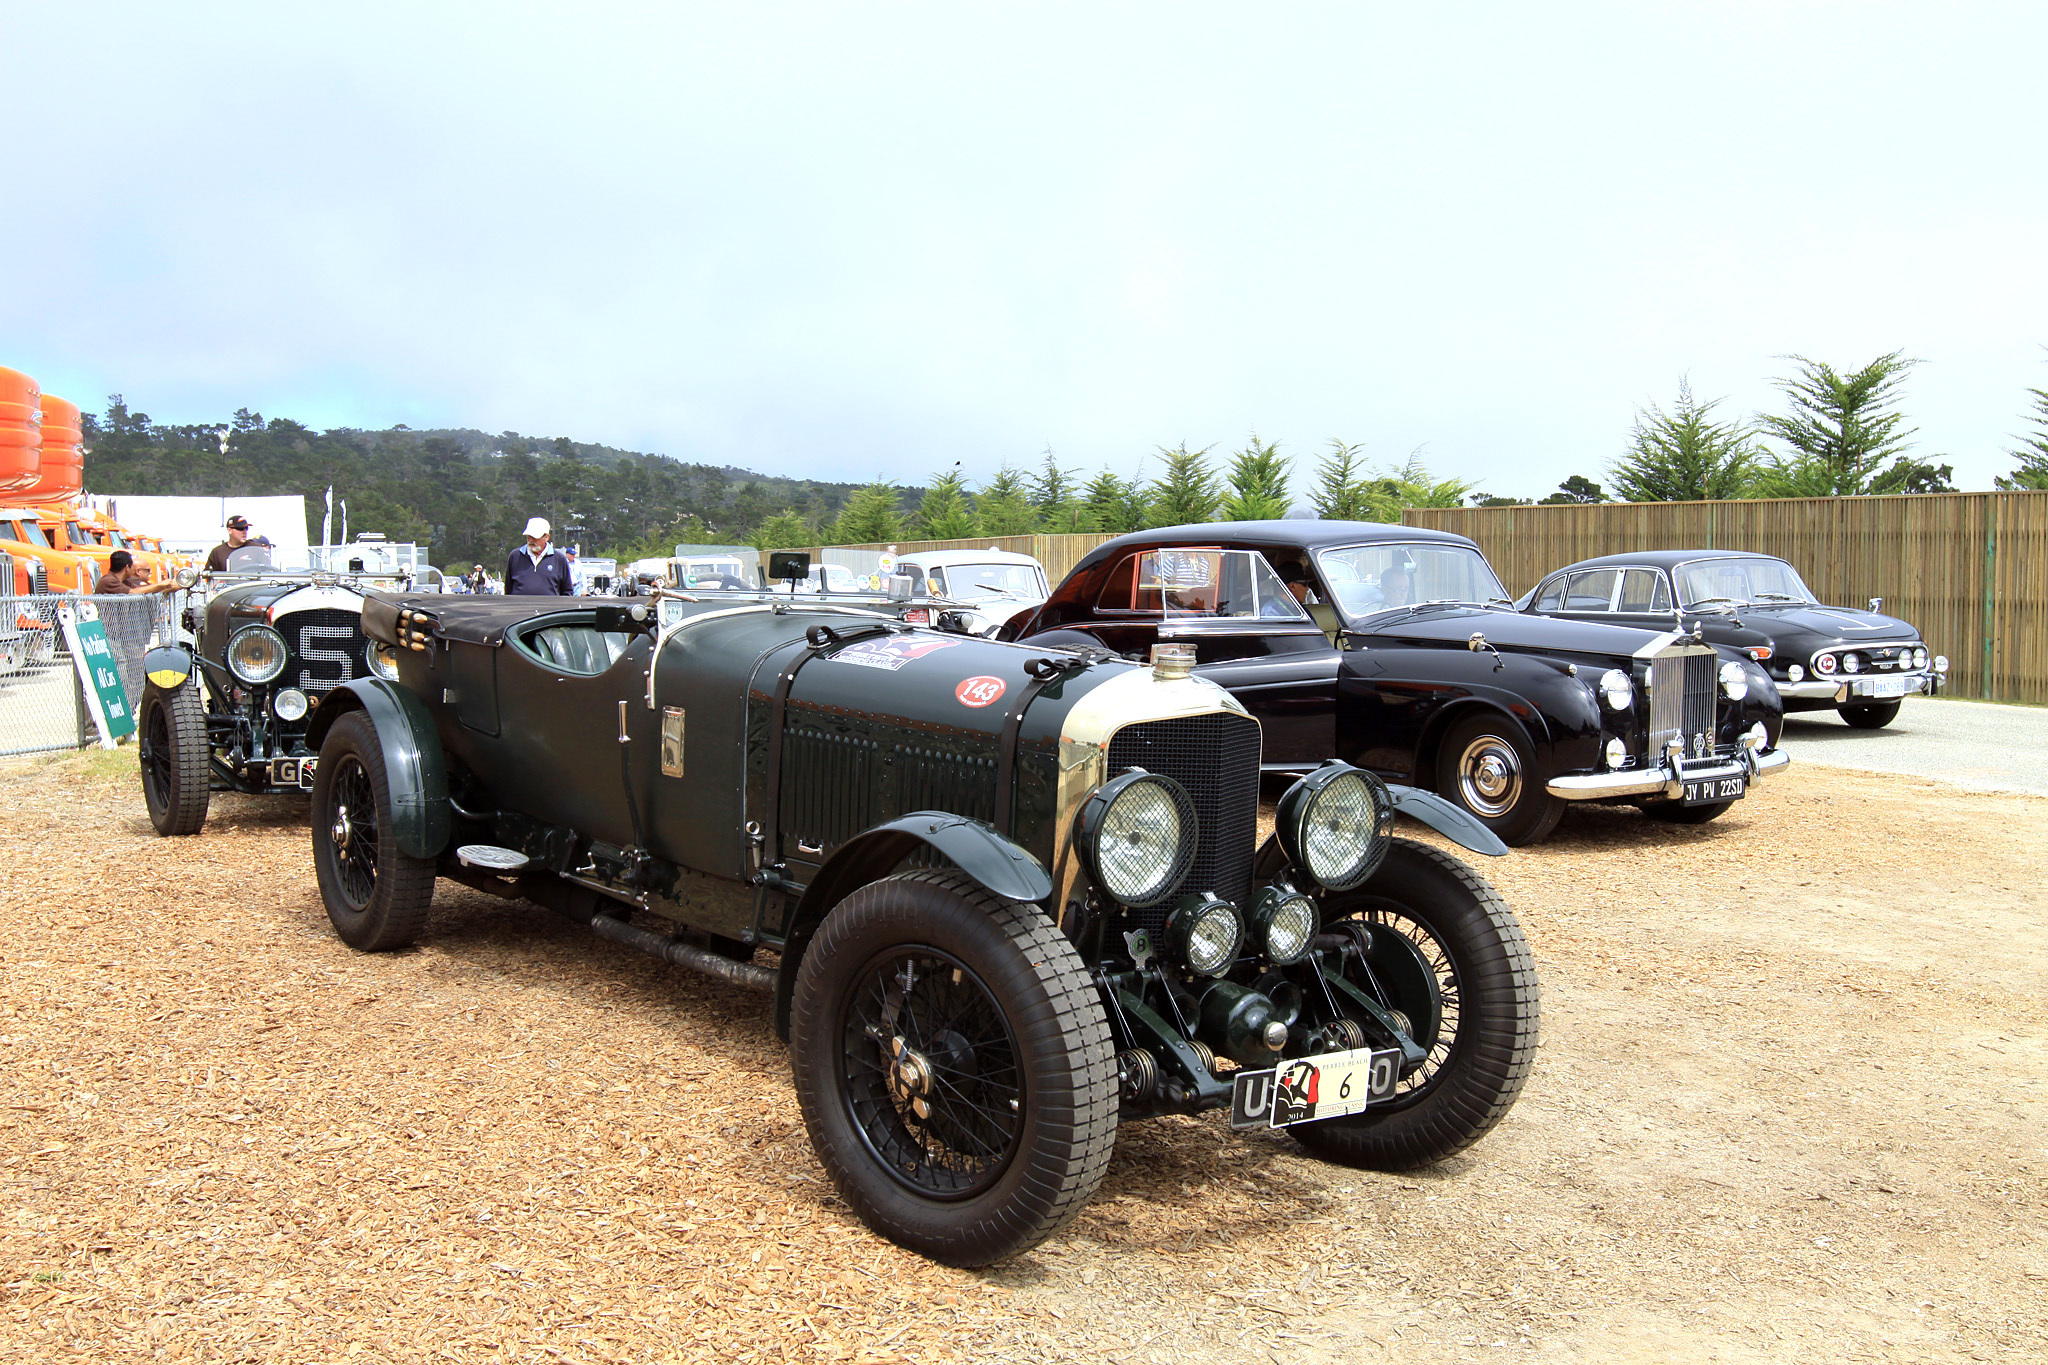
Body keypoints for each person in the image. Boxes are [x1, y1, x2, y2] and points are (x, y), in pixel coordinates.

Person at [505, 516, 573, 596]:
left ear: (546, 537)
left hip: (551, 608)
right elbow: (508, 589)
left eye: (535, 538)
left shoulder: (559, 559)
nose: (530, 541)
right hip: (520, 607)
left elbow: (567, 591)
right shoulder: (515, 556)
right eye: (528, 537)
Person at [95, 549, 177, 596]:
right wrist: (160, 584)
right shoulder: (108, 581)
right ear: (127, 567)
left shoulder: (124, 581)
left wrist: (172, 586)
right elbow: (133, 592)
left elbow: (141, 590)